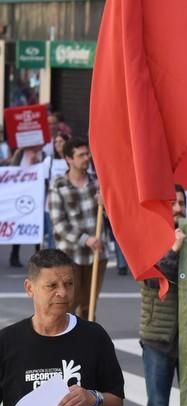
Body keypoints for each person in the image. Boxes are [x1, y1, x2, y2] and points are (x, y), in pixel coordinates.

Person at [0, 249, 125, 406]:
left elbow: (116, 401)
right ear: (30, 288)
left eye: (69, 284)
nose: (63, 293)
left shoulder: (94, 336)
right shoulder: (7, 341)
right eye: (52, 286)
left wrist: (93, 398)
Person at [47, 137, 106, 319]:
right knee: (68, 307)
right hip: (71, 256)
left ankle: (87, 343)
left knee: (89, 308)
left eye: (87, 154)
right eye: (81, 155)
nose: (86, 158)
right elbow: (59, 222)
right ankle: (67, 344)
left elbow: (114, 217)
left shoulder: (98, 183)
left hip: (96, 255)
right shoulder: (58, 185)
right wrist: (85, 239)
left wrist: (107, 205)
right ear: (68, 159)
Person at [140, 185, 186, 406]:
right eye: (173, 204)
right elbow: (153, 279)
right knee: (158, 403)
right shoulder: (149, 238)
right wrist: (174, 250)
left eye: (182, 203)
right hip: (158, 339)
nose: (178, 209)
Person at [7, 144, 48, 267]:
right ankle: (14, 255)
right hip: (21, 196)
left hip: (37, 197)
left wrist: (37, 163)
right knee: (20, 224)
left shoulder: (44, 155)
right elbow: (12, 171)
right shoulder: (20, 154)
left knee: (37, 227)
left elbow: (45, 173)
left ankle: (38, 256)